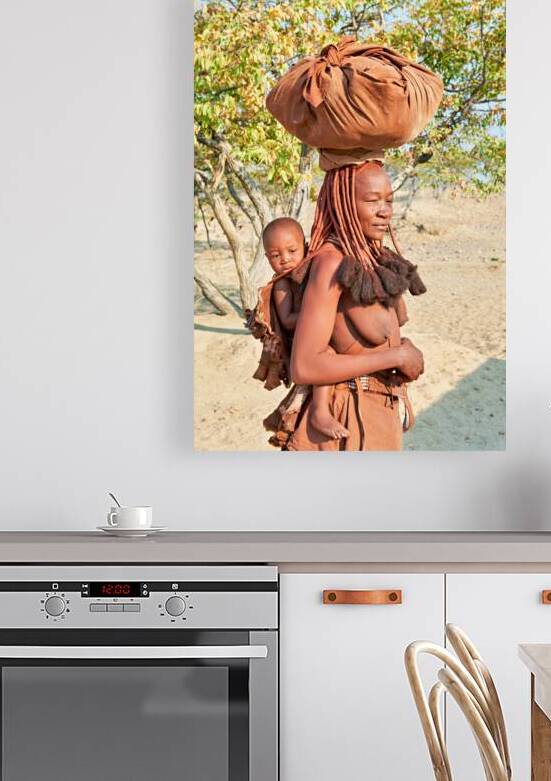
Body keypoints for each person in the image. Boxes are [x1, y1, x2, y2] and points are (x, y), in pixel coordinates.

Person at [285, 159, 426, 451]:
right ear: (344, 204)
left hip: (378, 418)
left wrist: (401, 352)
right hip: (347, 422)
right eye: (372, 201)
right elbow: (305, 365)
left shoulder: (370, 256)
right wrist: (395, 357)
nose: (385, 210)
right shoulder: (331, 262)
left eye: (389, 200)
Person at [262, 217, 349, 440]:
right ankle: (320, 412)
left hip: (318, 329)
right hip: (302, 341)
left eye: (292, 250)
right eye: (275, 255)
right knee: (325, 355)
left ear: (306, 246)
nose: (284, 259)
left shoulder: (312, 268)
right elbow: (288, 319)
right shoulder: (283, 283)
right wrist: (318, 312)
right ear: (266, 257)